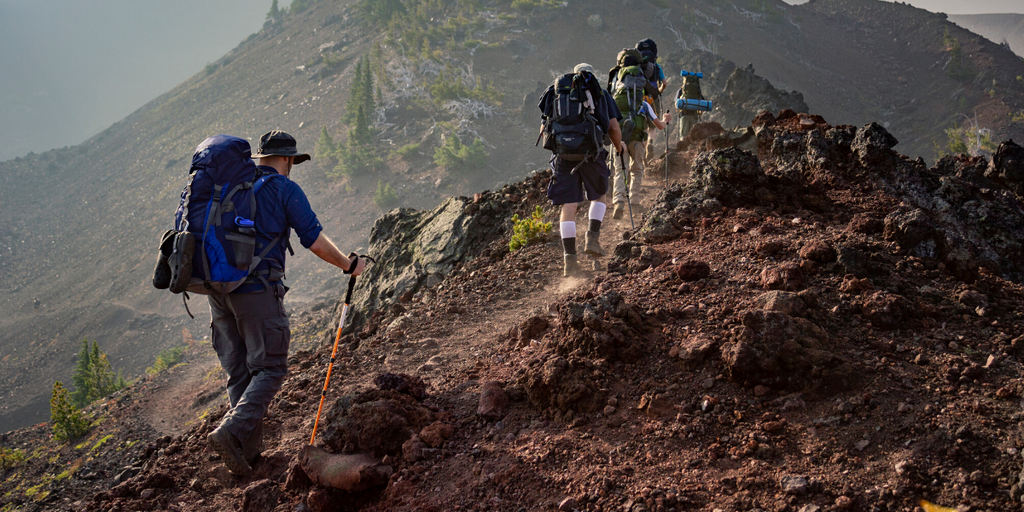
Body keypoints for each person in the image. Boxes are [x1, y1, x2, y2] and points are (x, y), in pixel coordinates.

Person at [206, 130, 365, 477]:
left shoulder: (233, 186)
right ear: (290, 160)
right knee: (271, 368)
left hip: (217, 292)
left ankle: (245, 457)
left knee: (241, 372)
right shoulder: (284, 189)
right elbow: (315, 241)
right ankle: (231, 433)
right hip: (257, 290)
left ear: (259, 157)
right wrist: (349, 265)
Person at [539, 63, 626, 277]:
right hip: (591, 154)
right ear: (591, 76)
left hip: (563, 157)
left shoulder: (555, 94)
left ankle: (570, 261)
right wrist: (618, 147)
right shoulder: (600, 94)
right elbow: (614, 128)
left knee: (569, 206)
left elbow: (544, 128)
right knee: (599, 197)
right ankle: (592, 239)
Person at [610, 95, 672, 220]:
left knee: (620, 170)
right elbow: (659, 126)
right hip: (638, 141)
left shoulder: (614, 100)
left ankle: (619, 202)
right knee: (637, 170)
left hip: (619, 140)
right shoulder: (644, 104)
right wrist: (666, 120)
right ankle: (634, 202)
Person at [677, 74, 706, 141]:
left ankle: (684, 149)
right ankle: (691, 149)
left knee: (684, 136)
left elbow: (677, 104)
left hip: (684, 115)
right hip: (694, 115)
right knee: (694, 136)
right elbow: (702, 103)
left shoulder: (682, 91)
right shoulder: (697, 91)